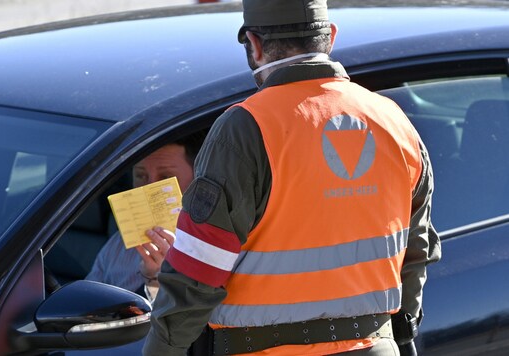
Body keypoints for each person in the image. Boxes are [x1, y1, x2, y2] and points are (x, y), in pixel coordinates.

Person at [143, 1, 441, 355]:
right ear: (329, 37)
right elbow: (416, 249)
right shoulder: (393, 120)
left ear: (253, 45)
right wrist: (401, 333)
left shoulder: (244, 128)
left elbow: (198, 270)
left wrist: (162, 349)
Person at [85, 131, 206, 301]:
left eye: (165, 178)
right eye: (141, 176)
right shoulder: (118, 245)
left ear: (197, 181)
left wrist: (155, 280)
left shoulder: (210, 249)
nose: (148, 188)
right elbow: (86, 305)